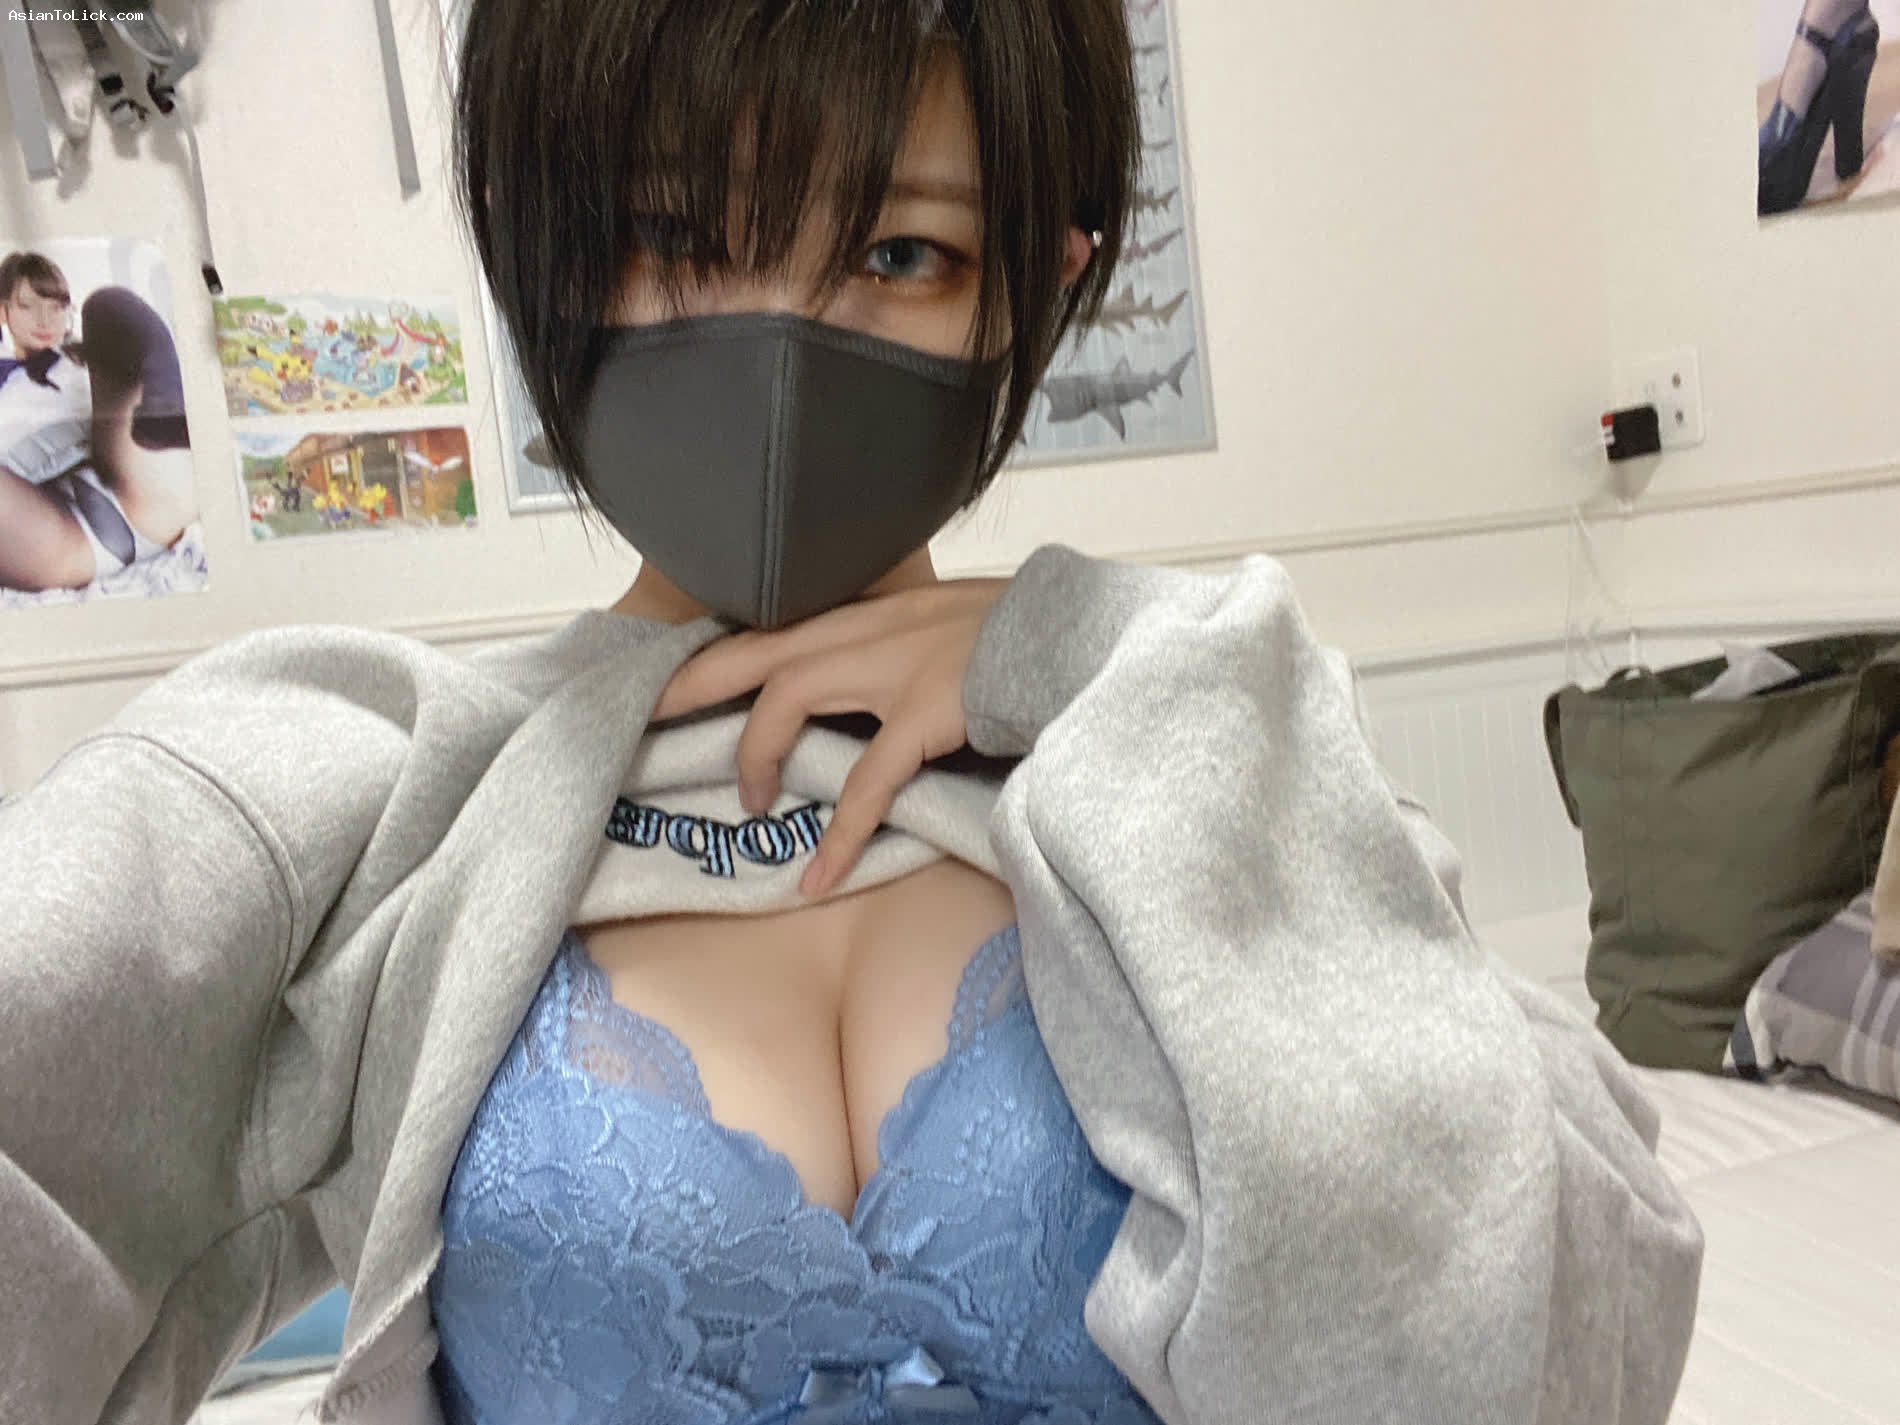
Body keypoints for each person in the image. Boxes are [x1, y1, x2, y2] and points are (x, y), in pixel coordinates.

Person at [0, 2, 1704, 1423]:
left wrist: (1101, 658)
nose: (780, 350)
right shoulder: (368, 793)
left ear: (1036, 283)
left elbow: (1555, 1343)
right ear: (542, 248)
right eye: (674, 236)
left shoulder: (1186, 731)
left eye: (900, 251)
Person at [0, 250, 198, 591]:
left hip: (142, 486)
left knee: (106, 304)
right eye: (28, 306)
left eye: (56, 306)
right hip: (56, 534)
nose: (45, 320)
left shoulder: (88, 360)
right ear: (3, 311)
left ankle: (168, 417)